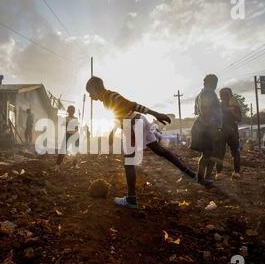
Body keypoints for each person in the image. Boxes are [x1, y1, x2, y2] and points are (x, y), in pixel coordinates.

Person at [86, 76, 200, 209]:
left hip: (134, 126)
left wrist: (156, 113)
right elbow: (120, 114)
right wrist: (113, 131)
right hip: (139, 121)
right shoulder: (107, 99)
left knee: (128, 162)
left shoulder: (110, 96)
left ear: (95, 88)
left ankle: (131, 199)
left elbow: (132, 105)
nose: (90, 96)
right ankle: (189, 174)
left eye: (90, 93)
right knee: (160, 151)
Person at [192, 74, 222, 184]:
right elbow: (206, 110)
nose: (215, 85)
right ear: (211, 82)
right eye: (215, 82)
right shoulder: (209, 92)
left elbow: (197, 112)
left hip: (204, 126)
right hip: (209, 127)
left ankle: (203, 178)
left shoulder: (200, 94)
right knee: (209, 154)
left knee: (207, 154)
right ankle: (204, 179)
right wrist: (214, 125)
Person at [215, 87, 242, 180]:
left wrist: (232, 111)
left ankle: (236, 172)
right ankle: (219, 173)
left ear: (230, 95)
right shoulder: (219, 106)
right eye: (222, 94)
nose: (224, 96)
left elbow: (239, 118)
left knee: (234, 152)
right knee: (221, 152)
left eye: (226, 94)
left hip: (230, 130)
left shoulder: (234, 106)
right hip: (223, 130)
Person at [55, 105, 80, 171]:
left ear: (74, 111)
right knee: (63, 151)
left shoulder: (76, 118)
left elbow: (76, 128)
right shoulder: (66, 118)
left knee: (75, 151)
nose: (71, 112)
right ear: (68, 111)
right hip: (68, 135)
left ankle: (75, 165)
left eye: (73, 110)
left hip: (75, 135)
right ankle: (57, 165)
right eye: (70, 110)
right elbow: (67, 127)